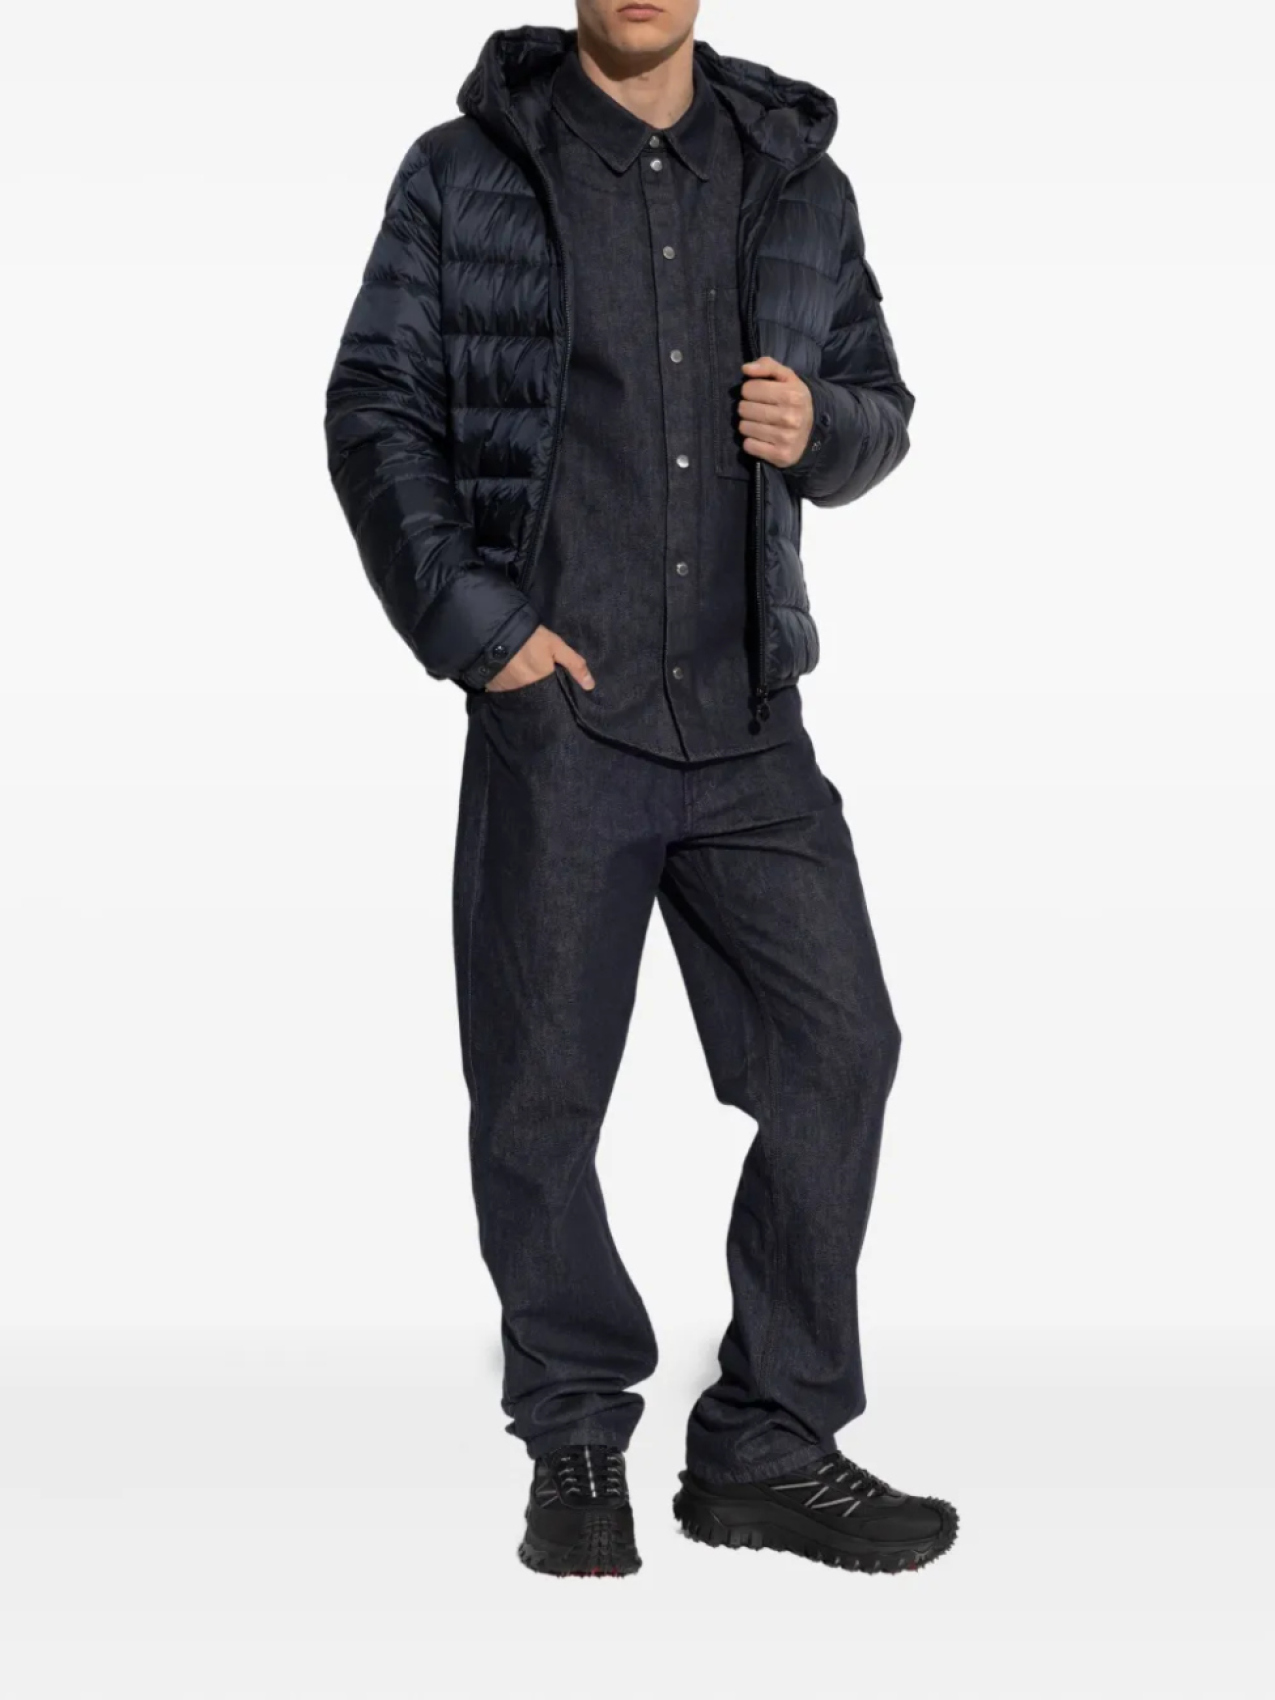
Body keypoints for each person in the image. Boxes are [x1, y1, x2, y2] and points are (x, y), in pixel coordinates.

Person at [325, 0, 957, 1578]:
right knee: (541, 1097)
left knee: (841, 1051)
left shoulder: (797, 178)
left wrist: (823, 428)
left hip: (748, 724)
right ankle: (575, 1437)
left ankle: (767, 1439)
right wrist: (483, 632)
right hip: (564, 719)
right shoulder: (467, 171)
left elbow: (878, 403)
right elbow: (375, 407)